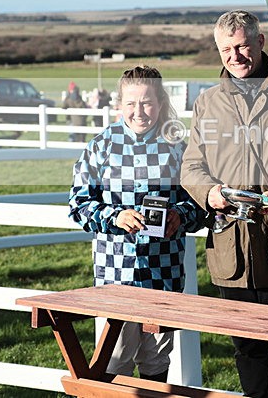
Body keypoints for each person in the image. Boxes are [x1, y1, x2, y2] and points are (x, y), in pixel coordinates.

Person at [181, 10, 268, 398]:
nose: (235, 56)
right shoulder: (208, 103)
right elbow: (191, 165)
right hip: (230, 248)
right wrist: (210, 193)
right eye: (226, 50)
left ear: (260, 42)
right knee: (247, 349)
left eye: (241, 46)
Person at [69, 65, 205, 382]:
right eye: (131, 103)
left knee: (156, 360)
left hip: (163, 272)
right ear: (120, 104)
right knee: (115, 358)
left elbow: (200, 204)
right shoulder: (100, 147)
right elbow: (78, 205)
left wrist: (180, 216)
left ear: (160, 102)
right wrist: (115, 217)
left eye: (146, 102)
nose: (139, 111)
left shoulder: (178, 149)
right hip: (116, 273)